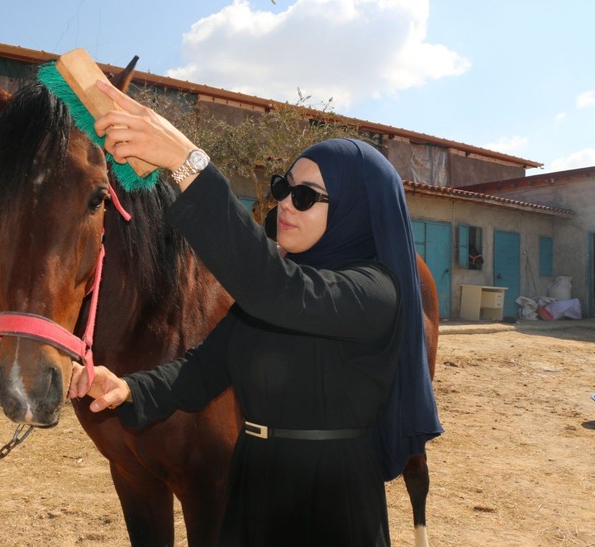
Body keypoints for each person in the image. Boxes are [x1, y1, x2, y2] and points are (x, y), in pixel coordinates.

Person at [69, 79, 442, 546]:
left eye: (305, 196)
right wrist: (126, 388)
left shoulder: (374, 292)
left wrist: (187, 163)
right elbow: (200, 371)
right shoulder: (278, 288)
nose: (285, 202)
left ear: (355, 211)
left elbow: (275, 289)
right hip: (250, 493)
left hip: (330, 506)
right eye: (283, 187)